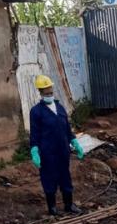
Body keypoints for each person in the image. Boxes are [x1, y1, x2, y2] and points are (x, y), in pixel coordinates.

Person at [29, 75, 84, 215]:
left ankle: (69, 205)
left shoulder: (60, 108)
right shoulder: (36, 111)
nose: (49, 95)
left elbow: (67, 129)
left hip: (63, 151)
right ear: (40, 93)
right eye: (46, 93)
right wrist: (35, 150)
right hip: (48, 153)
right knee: (49, 179)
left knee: (65, 177)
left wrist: (75, 142)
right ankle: (52, 208)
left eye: (51, 92)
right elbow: (34, 134)